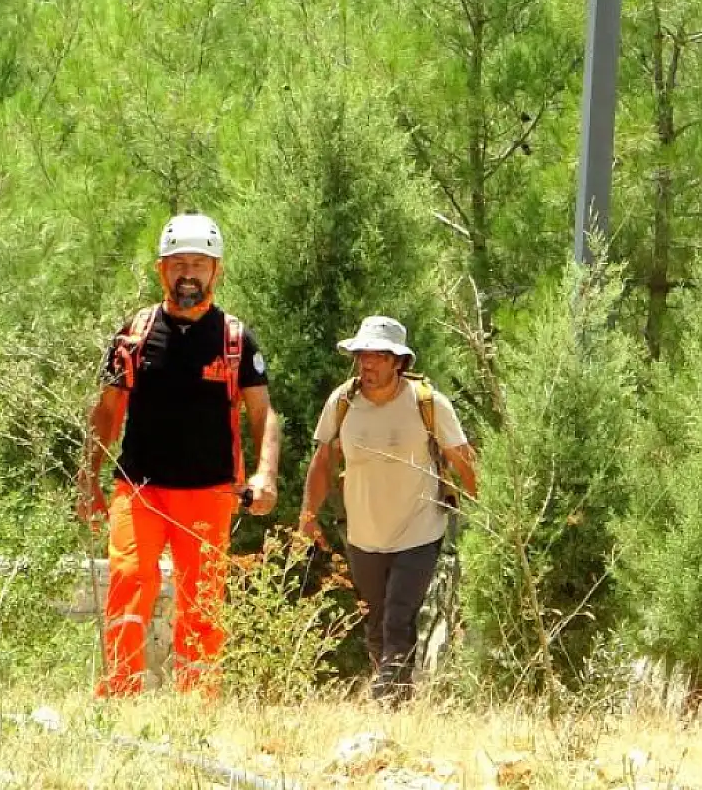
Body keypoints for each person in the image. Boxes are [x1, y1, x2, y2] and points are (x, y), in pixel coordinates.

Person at [75, 213, 281, 697]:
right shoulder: (135, 333)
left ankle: (197, 703)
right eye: (178, 263)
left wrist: (265, 474)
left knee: (202, 599)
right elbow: (106, 412)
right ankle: (120, 693)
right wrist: (88, 479)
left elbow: (263, 413)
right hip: (139, 486)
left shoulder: (235, 338)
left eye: (199, 264)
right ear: (161, 269)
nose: (188, 273)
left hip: (209, 491)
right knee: (127, 579)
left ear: (217, 271)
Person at [298, 316, 477, 704]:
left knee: (399, 616)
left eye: (379, 356)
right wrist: (307, 516)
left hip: (420, 528)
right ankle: (394, 694)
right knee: (376, 621)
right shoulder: (342, 402)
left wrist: (487, 513)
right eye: (363, 355)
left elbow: (463, 459)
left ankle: (389, 699)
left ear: (399, 362)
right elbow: (324, 459)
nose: (368, 364)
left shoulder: (429, 404)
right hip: (363, 532)